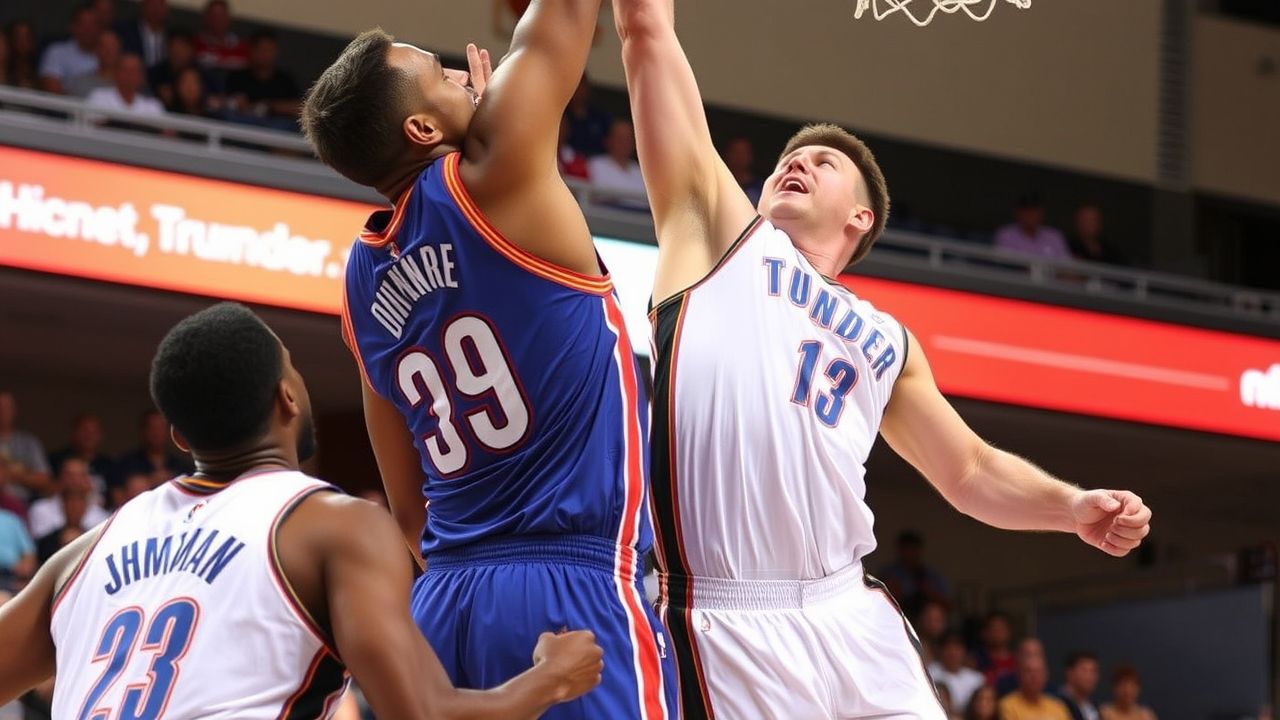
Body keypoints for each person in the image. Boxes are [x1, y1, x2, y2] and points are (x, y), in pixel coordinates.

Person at [612, 0, 1155, 716]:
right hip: (729, 618)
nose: (797, 162)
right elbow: (646, 32)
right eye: (787, 161)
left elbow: (967, 468)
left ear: (860, 217)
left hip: (851, 610)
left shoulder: (888, 340)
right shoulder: (718, 236)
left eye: (824, 162)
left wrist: (1069, 505)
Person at [300, 4, 676, 718]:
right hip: (572, 589)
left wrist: (479, 112)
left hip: (443, 601)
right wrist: (500, 114)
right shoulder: (497, 174)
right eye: (439, 75)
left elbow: (410, 511)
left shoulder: (359, 283)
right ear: (420, 129)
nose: (463, 76)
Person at [0, 302, 604, 718]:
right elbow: (424, 714)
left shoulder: (88, 550)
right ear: (287, 397)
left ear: (179, 438)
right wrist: (552, 677)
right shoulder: (334, 526)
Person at [47, 412, 118, 507]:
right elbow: (48, 490)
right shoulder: (57, 459)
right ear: (74, 432)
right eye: (84, 430)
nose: (89, 435)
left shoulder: (108, 465)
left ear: (101, 435)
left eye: (94, 432)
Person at [878, 530, 952, 617]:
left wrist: (931, 593)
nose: (909, 554)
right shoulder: (889, 573)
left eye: (913, 549)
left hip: (924, 620)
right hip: (896, 617)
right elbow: (875, 602)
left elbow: (949, 605)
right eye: (906, 549)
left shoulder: (930, 575)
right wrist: (890, 593)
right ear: (899, 550)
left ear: (919, 550)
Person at [38, 4, 102, 94]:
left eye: (92, 25)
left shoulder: (107, 56)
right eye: (83, 25)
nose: (88, 30)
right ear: (73, 27)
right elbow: (53, 90)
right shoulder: (57, 52)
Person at [0, 392, 51, 500]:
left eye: (6, 407)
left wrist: (13, 473)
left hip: (22, 504)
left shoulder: (29, 443)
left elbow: (44, 480)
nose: (2, 411)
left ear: (14, 411)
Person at [994, 193, 1070, 260]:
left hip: (1050, 276)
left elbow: (1068, 267)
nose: (1030, 214)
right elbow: (1006, 266)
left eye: (1034, 210)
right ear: (1017, 212)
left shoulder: (1054, 236)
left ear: (1041, 212)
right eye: (1026, 210)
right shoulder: (1006, 234)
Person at [999, 654, 1071, 720]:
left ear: (1046, 675)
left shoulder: (1058, 706)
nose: (1033, 676)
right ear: (1019, 675)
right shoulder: (1008, 705)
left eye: (1038, 671)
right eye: (1028, 671)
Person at [929, 631, 985, 711]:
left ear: (965, 651)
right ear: (940, 650)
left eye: (957, 648)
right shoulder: (930, 674)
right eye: (948, 648)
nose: (953, 653)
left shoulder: (977, 678)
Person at [116, 0, 169, 68]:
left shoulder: (170, 38)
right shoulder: (125, 31)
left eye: (160, 5)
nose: (156, 9)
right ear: (143, 6)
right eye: (152, 5)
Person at [1054, 651, 1101, 720]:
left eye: (1093, 671)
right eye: (1084, 670)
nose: (1089, 677)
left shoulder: (1095, 707)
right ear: (1070, 673)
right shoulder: (1056, 703)